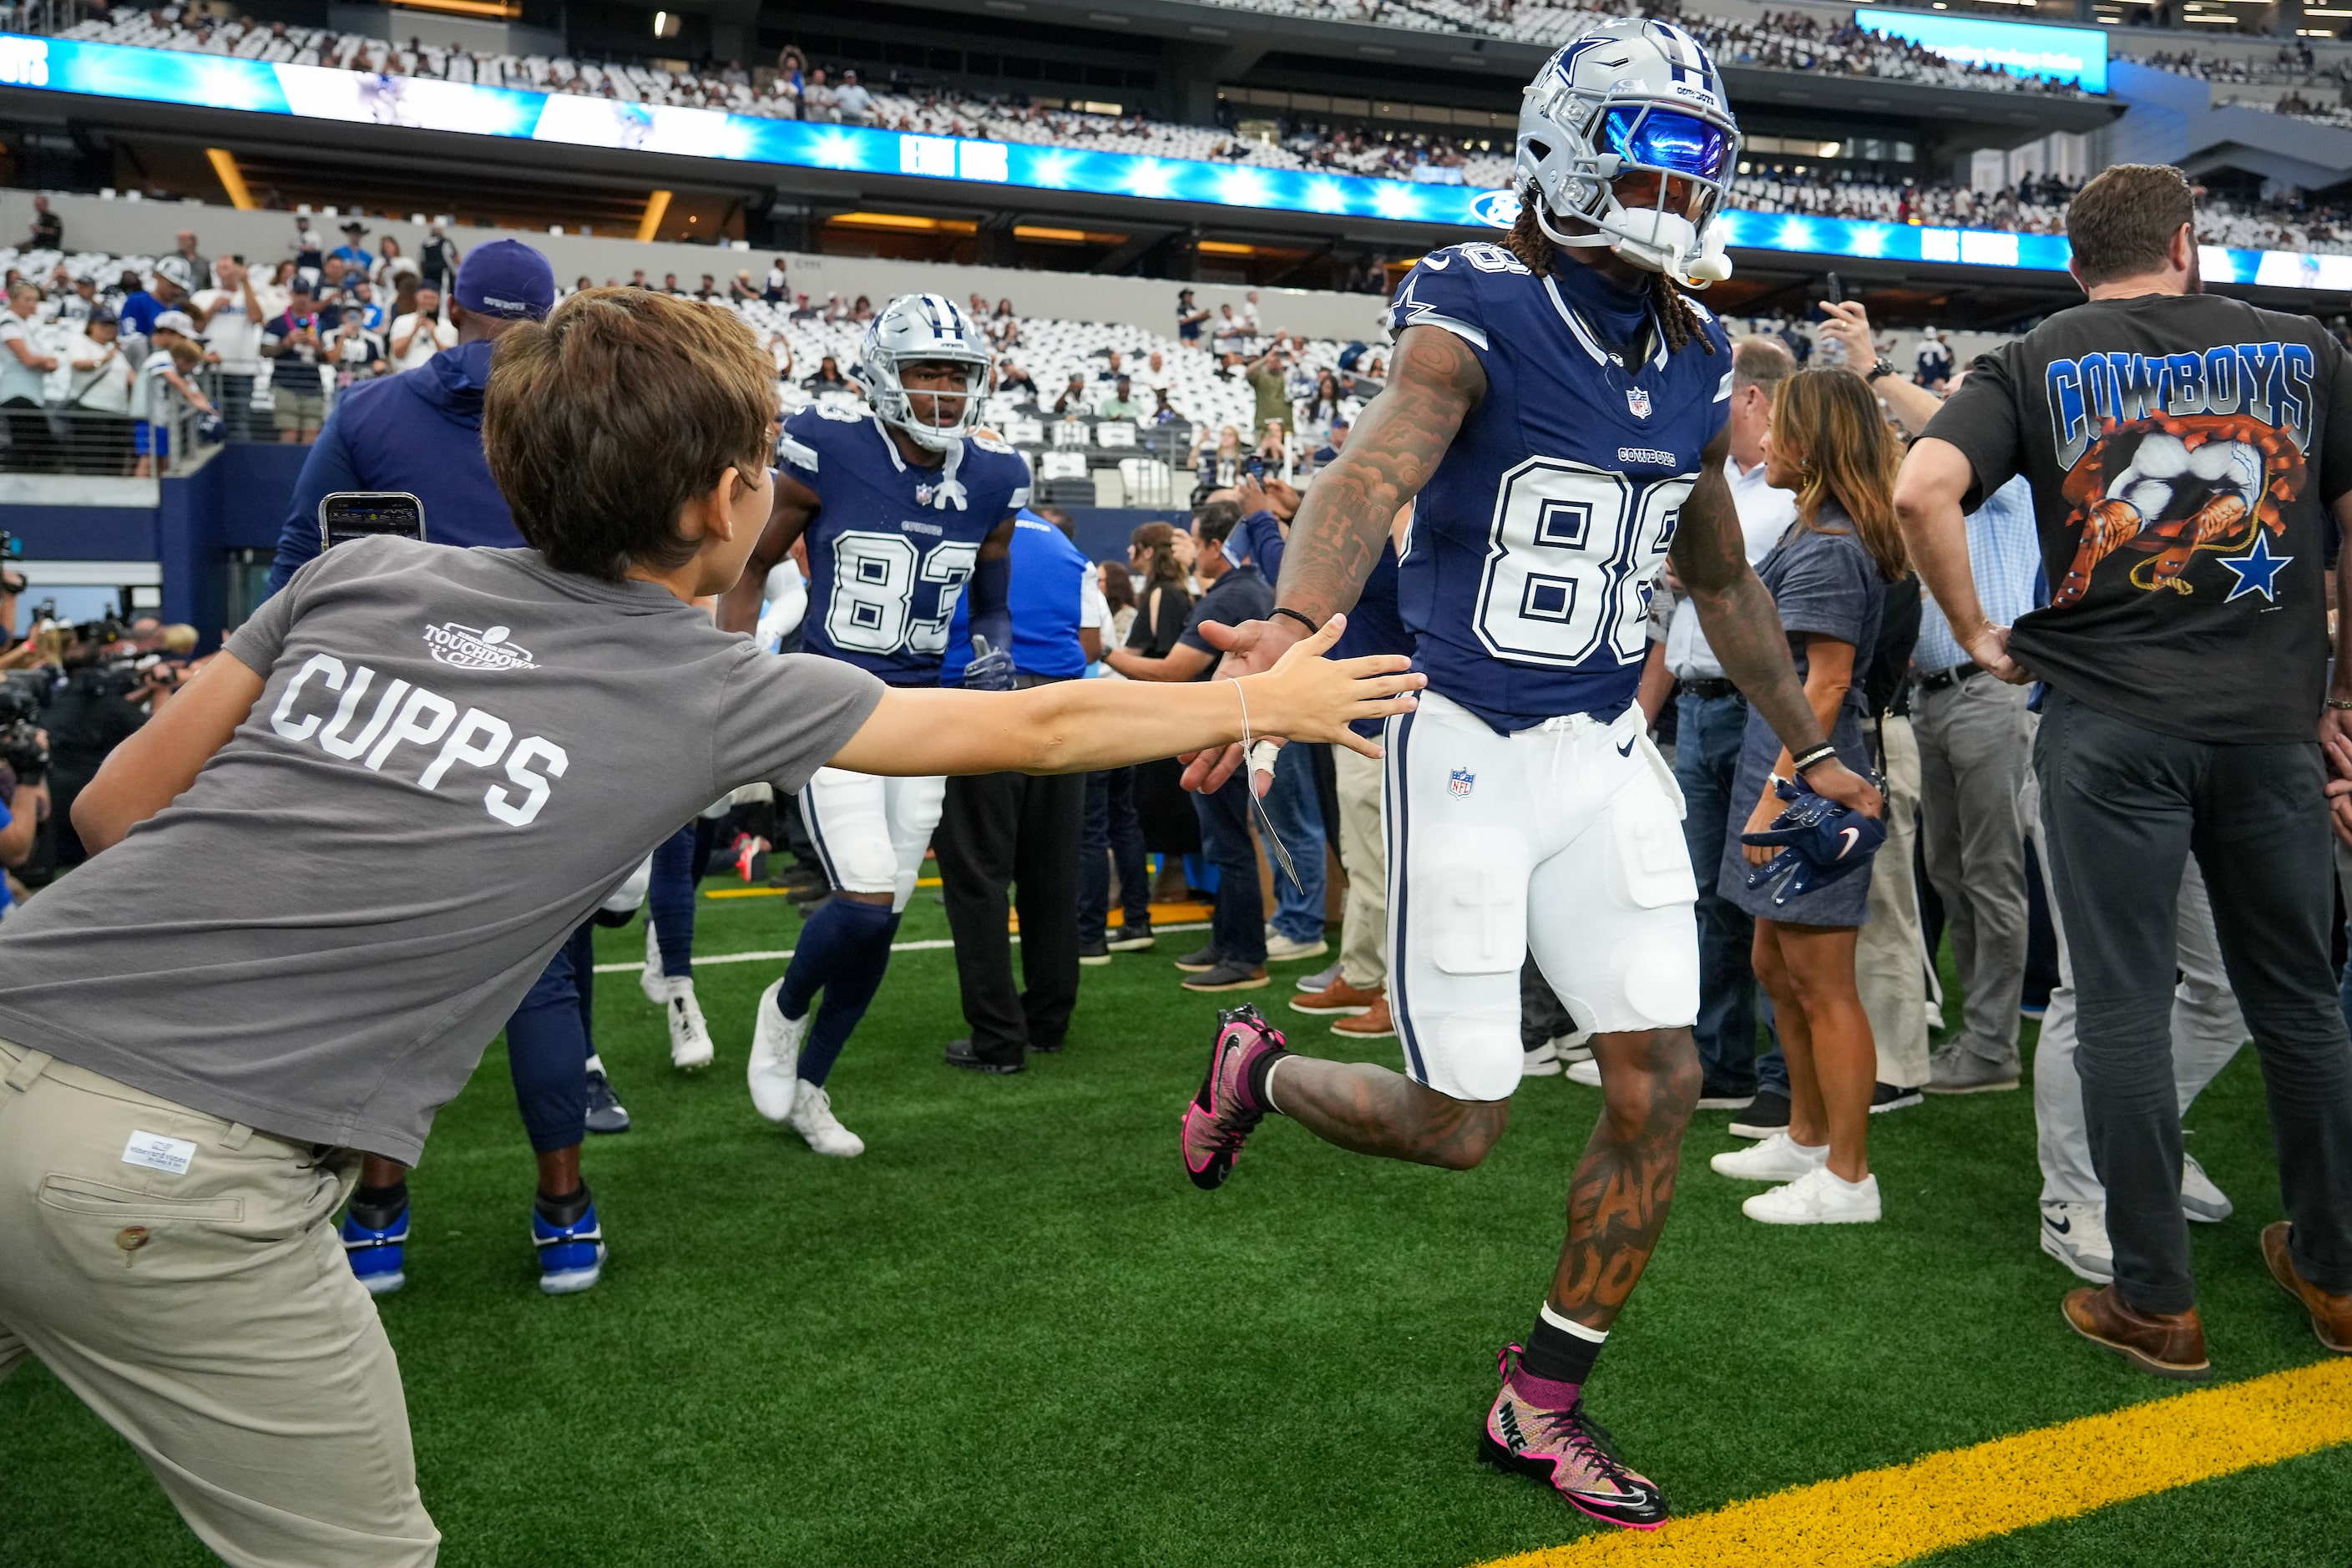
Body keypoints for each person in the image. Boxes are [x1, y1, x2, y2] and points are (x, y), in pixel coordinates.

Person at [0, 282, 1415, 1568]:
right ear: (728, 499)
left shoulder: (353, 575)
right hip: (175, 1164)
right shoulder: (709, 683)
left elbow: (117, 808)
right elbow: (1037, 721)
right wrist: (1260, 700)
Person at [1167, 19, 1879, 1526]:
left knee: (1662, 1079)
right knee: (1461, 1119)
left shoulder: (1695, 353)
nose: (1680, 193)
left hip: (1603, 750)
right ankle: (1263, 1069)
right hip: (1470, 745)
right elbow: (1375, 468)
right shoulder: (1475, 300)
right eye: (1656, 157)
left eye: (1701, 166)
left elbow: (1720, 583)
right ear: (1564, 149)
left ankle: (1538, 1397)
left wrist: (1813, 742)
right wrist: (1289, 636)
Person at [1894, 161, 2352, 1376]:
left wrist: (1980, 627)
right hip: (2267, 726)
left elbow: (1920, 488)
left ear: (2073, 262)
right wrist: (2342, 693)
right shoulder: (2307, 347)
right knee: (2300, 1004)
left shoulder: (2044, 349)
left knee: (2122, 1008)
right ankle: (2339, 1275)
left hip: (2106, 723)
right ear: (2190, 244)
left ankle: (2157, 1301)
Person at [264, 240, 642, 1294]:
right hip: (547, 734)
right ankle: (563, 1207)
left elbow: (300, 565)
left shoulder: (370, 412)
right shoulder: (583, 418)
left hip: (395, 728)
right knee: (547, 986)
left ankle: (379, 1206)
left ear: (449, 308)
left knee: (394, 981)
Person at [716, 292, 1029, 1157]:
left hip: (922, 712)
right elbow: (750, 567)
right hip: (833, 701)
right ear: (884, 376)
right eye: (928, 371)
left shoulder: (996, 478)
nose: (945, 391)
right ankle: (779, 1009)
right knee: (857, 898)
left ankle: (813, 1084)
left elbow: (992, 611)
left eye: (959, 374)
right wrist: (732, 672)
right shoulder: (832, 449)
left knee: (885, 918)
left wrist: (993, 650)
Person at [1822, 300, 2041, 1100]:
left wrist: (1871, 366)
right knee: (1951, 872)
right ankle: (1982, 1029)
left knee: (1988, 875)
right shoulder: (1941, 477)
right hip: (1938, 695)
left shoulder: (2008, 474)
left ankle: (1990, 1043)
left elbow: (1936, 423)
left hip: (1990, 692)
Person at [1707, 367, 1904, 1225]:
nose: (1767, 439)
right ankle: (1807, 1133)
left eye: (1784, 427)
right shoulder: (1816, 528)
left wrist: (1770, 803)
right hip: (1786, 763)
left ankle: (1850, 1178)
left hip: (1805, 774)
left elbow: (1823, 686)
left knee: (1823, 981)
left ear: (1816, 443)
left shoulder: (1827, 544)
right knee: (1773, 964)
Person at [1661, 336, 1796, 1119]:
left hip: (1753, 702)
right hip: (1699, 701)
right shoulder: (1708, 479)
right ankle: (1723, 1059)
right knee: (1707, 893)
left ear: (1746, 398)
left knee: (1768, 890)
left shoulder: (1787, 491)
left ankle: (1783, 1075)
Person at [933, 506, 1107, 1071]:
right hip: (1061, 708)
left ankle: (997, 1038)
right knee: (1051, 874)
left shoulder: (963, 526)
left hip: (982, 701)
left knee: (977, 879)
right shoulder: (1060, 540)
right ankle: (1047, 1021)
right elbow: (1089, 642)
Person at [1104, 500, 1276, 992]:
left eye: (1196, 542)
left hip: (1221, 731)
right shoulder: (1245, 587)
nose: (1189, 552)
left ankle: (1245, 955)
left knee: (1230, 847)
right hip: (1230, 727)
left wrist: (1105, 654)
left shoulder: (1228, 595)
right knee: (1225, 845)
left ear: (1216, 547)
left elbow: (1173, 669)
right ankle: (1228, 942)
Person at [190, 256, 267, 442]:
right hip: (210, 370)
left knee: (240, 423)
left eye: (233, 268)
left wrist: (246, 283)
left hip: (242, 369)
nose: (229, 272)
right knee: (208, 420)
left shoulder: (251, 296)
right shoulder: (202, 297)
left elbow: (257, 318)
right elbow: (195, 327)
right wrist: (213, 308)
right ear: (216, 271)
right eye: (224, 268)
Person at [260, 280, 336, 443]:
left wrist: (318, 347)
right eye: (298, 294)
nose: (302, 299)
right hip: (285, 383)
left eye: (305, 294)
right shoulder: (276, 323)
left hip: (313, 384)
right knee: (290, 431)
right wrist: (286, 343)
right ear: (291, 295)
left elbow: (330, 358)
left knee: (312, 432)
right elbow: (265, 351)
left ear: (310, 296)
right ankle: (286, 467)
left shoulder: (321, 324)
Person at [0, 281, 58, 472]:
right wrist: (46, 361)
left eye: (35, 300)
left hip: (30, 393)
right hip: (17, 394)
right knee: (28, 445)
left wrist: (44, 362)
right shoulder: (8, 323)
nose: (33, 305)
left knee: (35, 445)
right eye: (28, 299)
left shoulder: (24, 326)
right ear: (14, 299)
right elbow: (27, 359)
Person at [390, 286, 454, 372]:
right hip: (407, 374)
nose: (428, 302)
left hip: (436, 375)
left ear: (438, 300)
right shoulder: (402, 321)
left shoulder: (448, 325)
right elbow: (398, 353)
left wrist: (434, 335)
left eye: (433, 298)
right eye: (425, 297)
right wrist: (414, 331)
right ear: (417, 297)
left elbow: (449, 358)